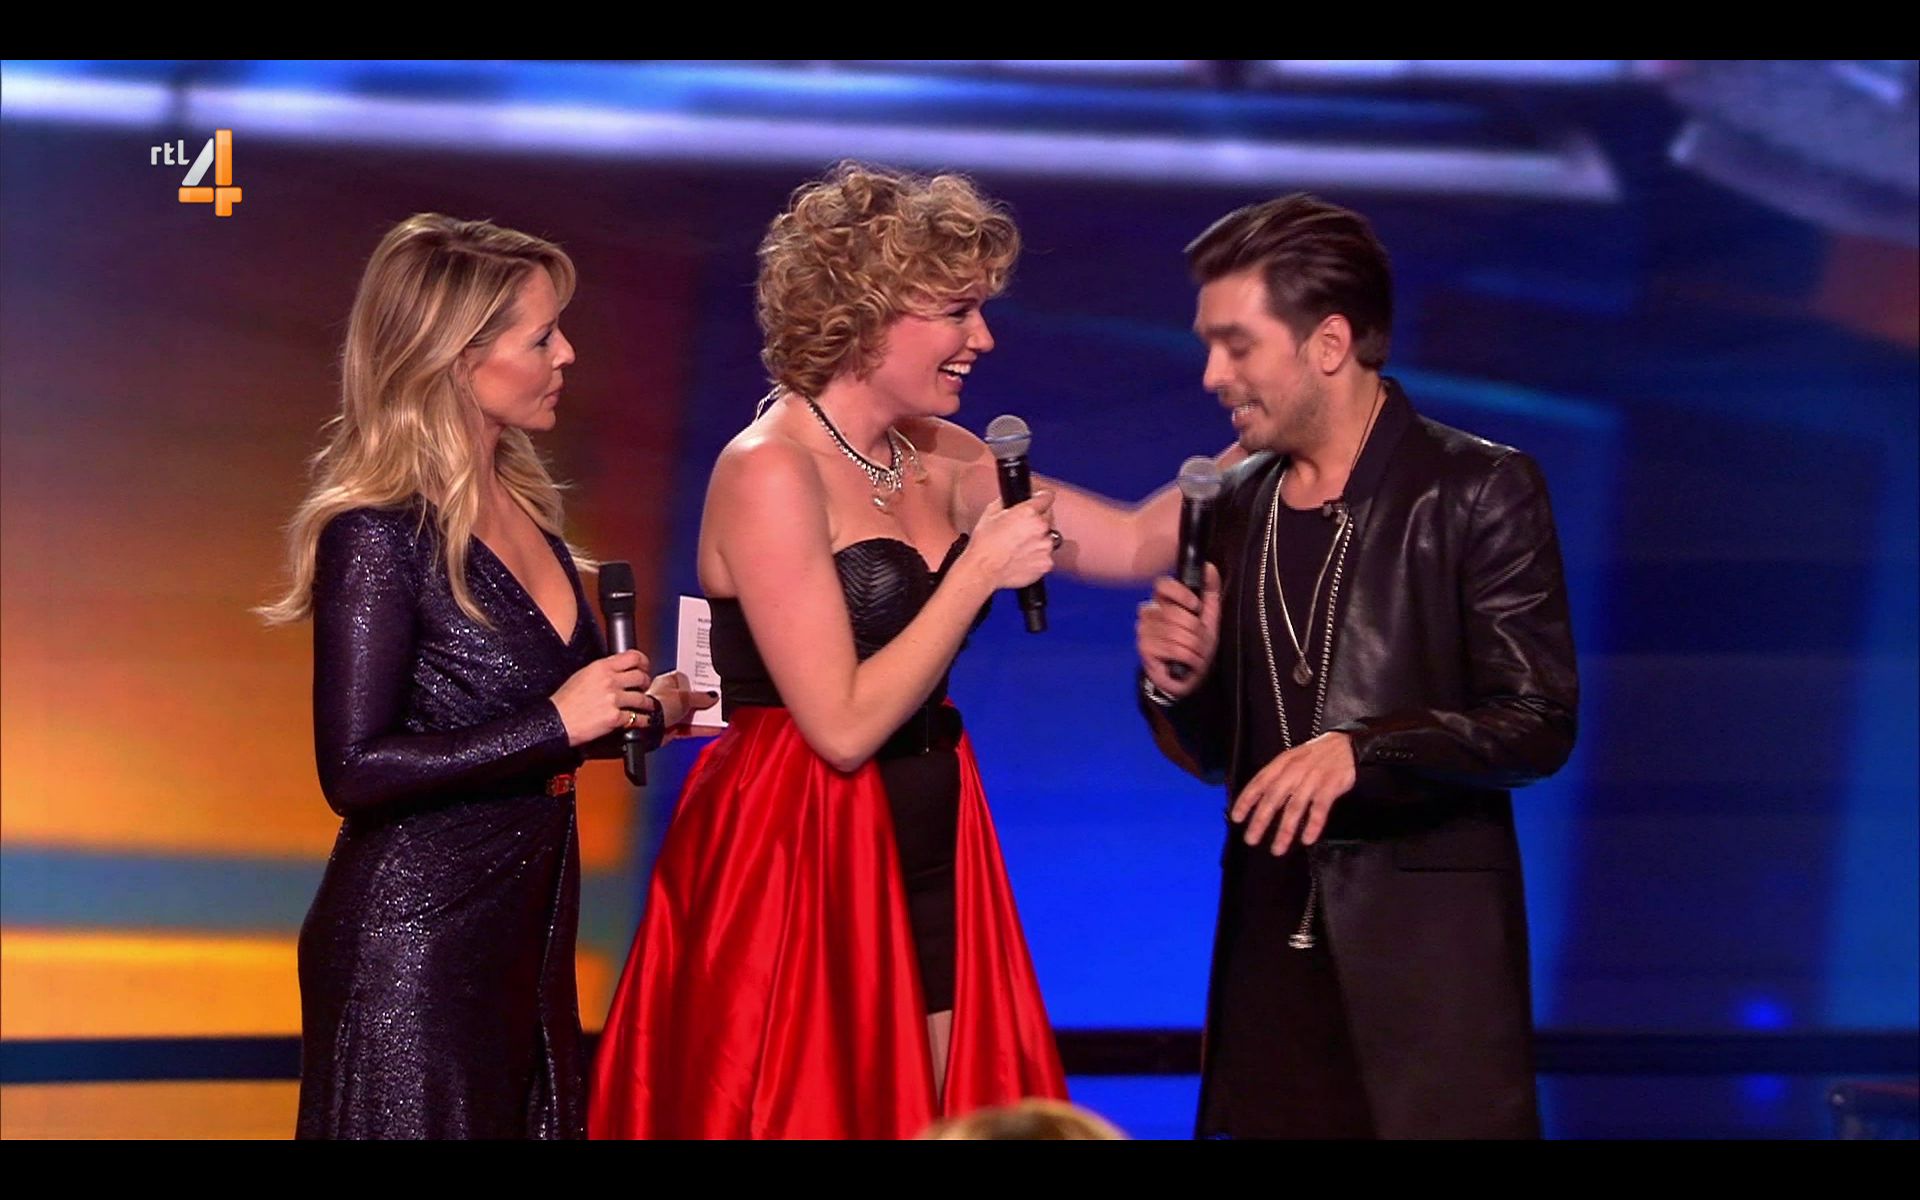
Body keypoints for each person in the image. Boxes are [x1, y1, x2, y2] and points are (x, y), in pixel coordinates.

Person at [588, 162, 1238, 1139]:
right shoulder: (769, 470)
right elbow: (841, 725)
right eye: (956, 311)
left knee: (944, 1109)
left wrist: (1276, 425)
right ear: (865, 311)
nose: (983, 339)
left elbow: (1138, 539)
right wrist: (977, 571)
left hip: (935, 823)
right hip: (799, 838)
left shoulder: (944, 457)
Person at [1135, 193, 1579, 1139]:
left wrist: (1364, 750)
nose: (1212, 375)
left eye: (1237, 345)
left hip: (1421, 980)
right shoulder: (1232, 503)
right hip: (1267, 968)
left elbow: (1537, 720)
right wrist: (1178, 684)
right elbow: (1216, 758)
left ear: (1329, 343)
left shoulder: (1476, 489)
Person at [260, 213, 704, 1138]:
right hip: (415, 951)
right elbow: (355, 769)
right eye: (542, 337)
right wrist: (558, 721)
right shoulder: (378, 533)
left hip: (525, 934)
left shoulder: (526, 510)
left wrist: (641, 711)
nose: (567, 354)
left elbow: (527, 721)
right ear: (459, 358)